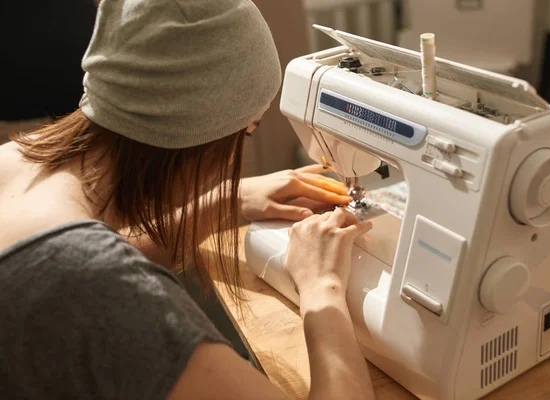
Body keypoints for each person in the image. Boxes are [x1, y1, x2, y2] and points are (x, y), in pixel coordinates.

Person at [0, 1, 375, 399]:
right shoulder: (90, 285)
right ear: (196, 141)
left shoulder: (14, 163)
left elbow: (50, 273)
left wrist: (224, 201)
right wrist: (323, 287)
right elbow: (87, 278)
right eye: (244, 133)